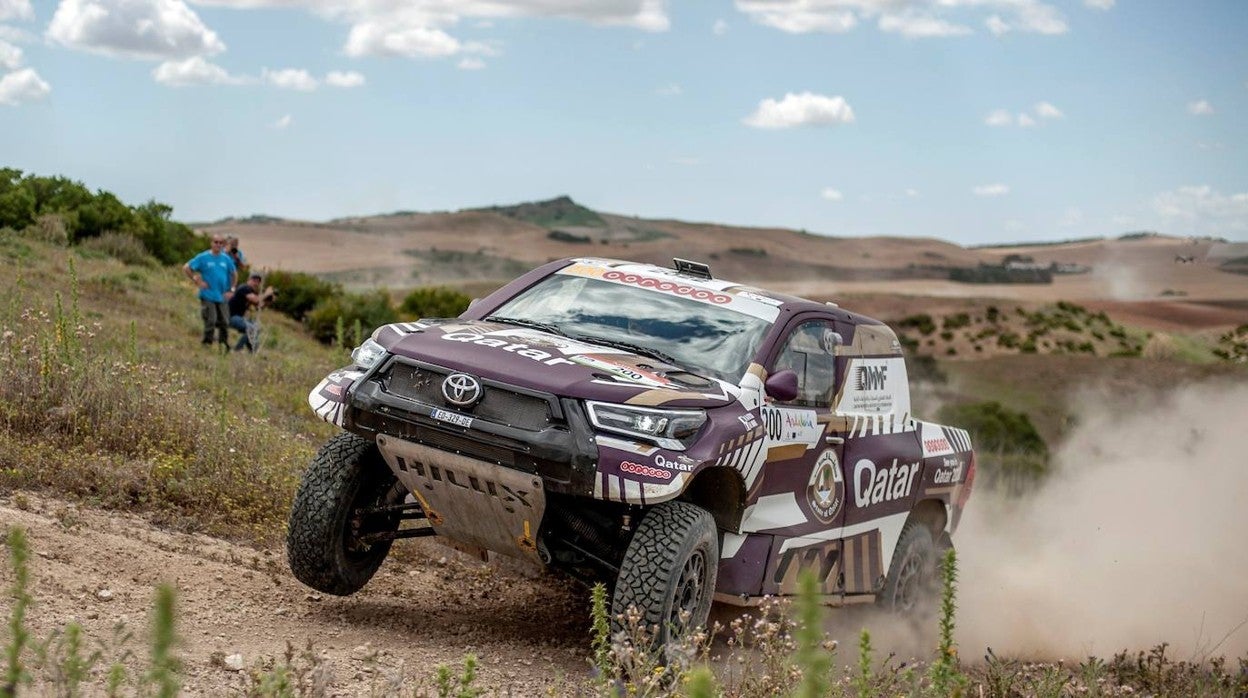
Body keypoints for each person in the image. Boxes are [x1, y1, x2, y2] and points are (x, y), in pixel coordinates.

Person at [183, 236, 237, 350]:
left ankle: (223, 345)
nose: (218, 244)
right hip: (208, 294)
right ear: (211, 243)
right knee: (211, 320)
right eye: (216, 242)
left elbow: (234, 273)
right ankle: (207, 344)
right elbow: (187, 267)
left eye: (220, 243)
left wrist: (232, 289)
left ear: (222, 245)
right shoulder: (203, 257)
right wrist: (196, 279)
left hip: (222, 295)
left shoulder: (225, 259)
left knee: (225, 321)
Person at [228, 273, 275, 353]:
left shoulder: (252, 292)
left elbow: (259, 307)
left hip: (238, 318)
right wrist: (266, 293)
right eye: (254, 280)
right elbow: (256, 300)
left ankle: (252, 351)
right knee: (253, 329)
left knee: (256, 328)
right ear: (248, 280)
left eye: (258, 282)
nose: (256, 283)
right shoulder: (244, 288)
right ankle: (237, 349)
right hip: (231, 317)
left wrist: (268, 301)